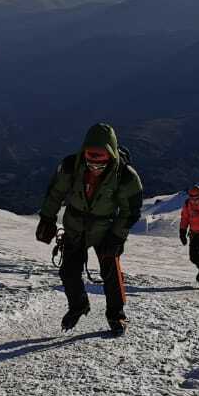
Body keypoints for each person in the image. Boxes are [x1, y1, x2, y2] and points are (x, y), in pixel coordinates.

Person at [35, 123, 143, 335]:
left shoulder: (125, 176)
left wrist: (117, 236)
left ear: (111, 154)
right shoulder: (70, 166)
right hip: (75, 227)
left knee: (111, 272)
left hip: (106, 230)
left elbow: (130, 210)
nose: (94, 163)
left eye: (100, 158)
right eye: (90, 157)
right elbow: (56, 193)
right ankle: (79, 305)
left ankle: (116, 315)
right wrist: (47, 218)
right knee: (68, 272)